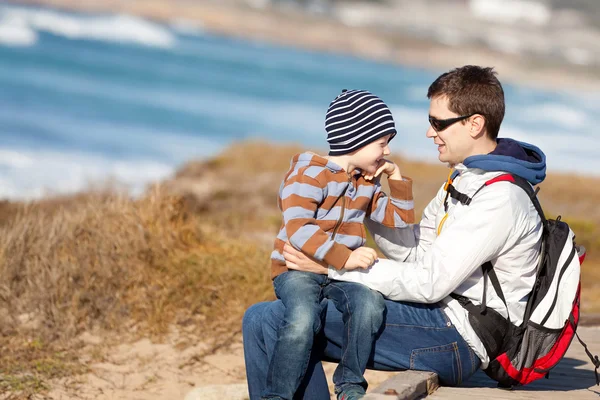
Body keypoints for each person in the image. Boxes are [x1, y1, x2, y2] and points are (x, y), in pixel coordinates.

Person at [243, 65, 547, 399]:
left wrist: (333, 266)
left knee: (266, 321)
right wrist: (360, 198)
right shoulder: (465, 179)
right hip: (439, 316)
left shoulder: (499, 198)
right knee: (276, 318)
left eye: (438, 123)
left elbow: (430, 283)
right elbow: (416, 253)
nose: (430, 133)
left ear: (475, 124)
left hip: (458, 336)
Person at [264, 89, 415, 400]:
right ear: (355, 138)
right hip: (296, 270)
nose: (386, 153)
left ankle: (348, 385)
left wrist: (396, 179)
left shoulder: (366, 185)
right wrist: (345, 258)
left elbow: (399, 220)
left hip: (339, 275)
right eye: (381, 144)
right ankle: (278, 395)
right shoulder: (308, 175)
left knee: (369, 306)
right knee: (303, 319)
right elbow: (300, 230)